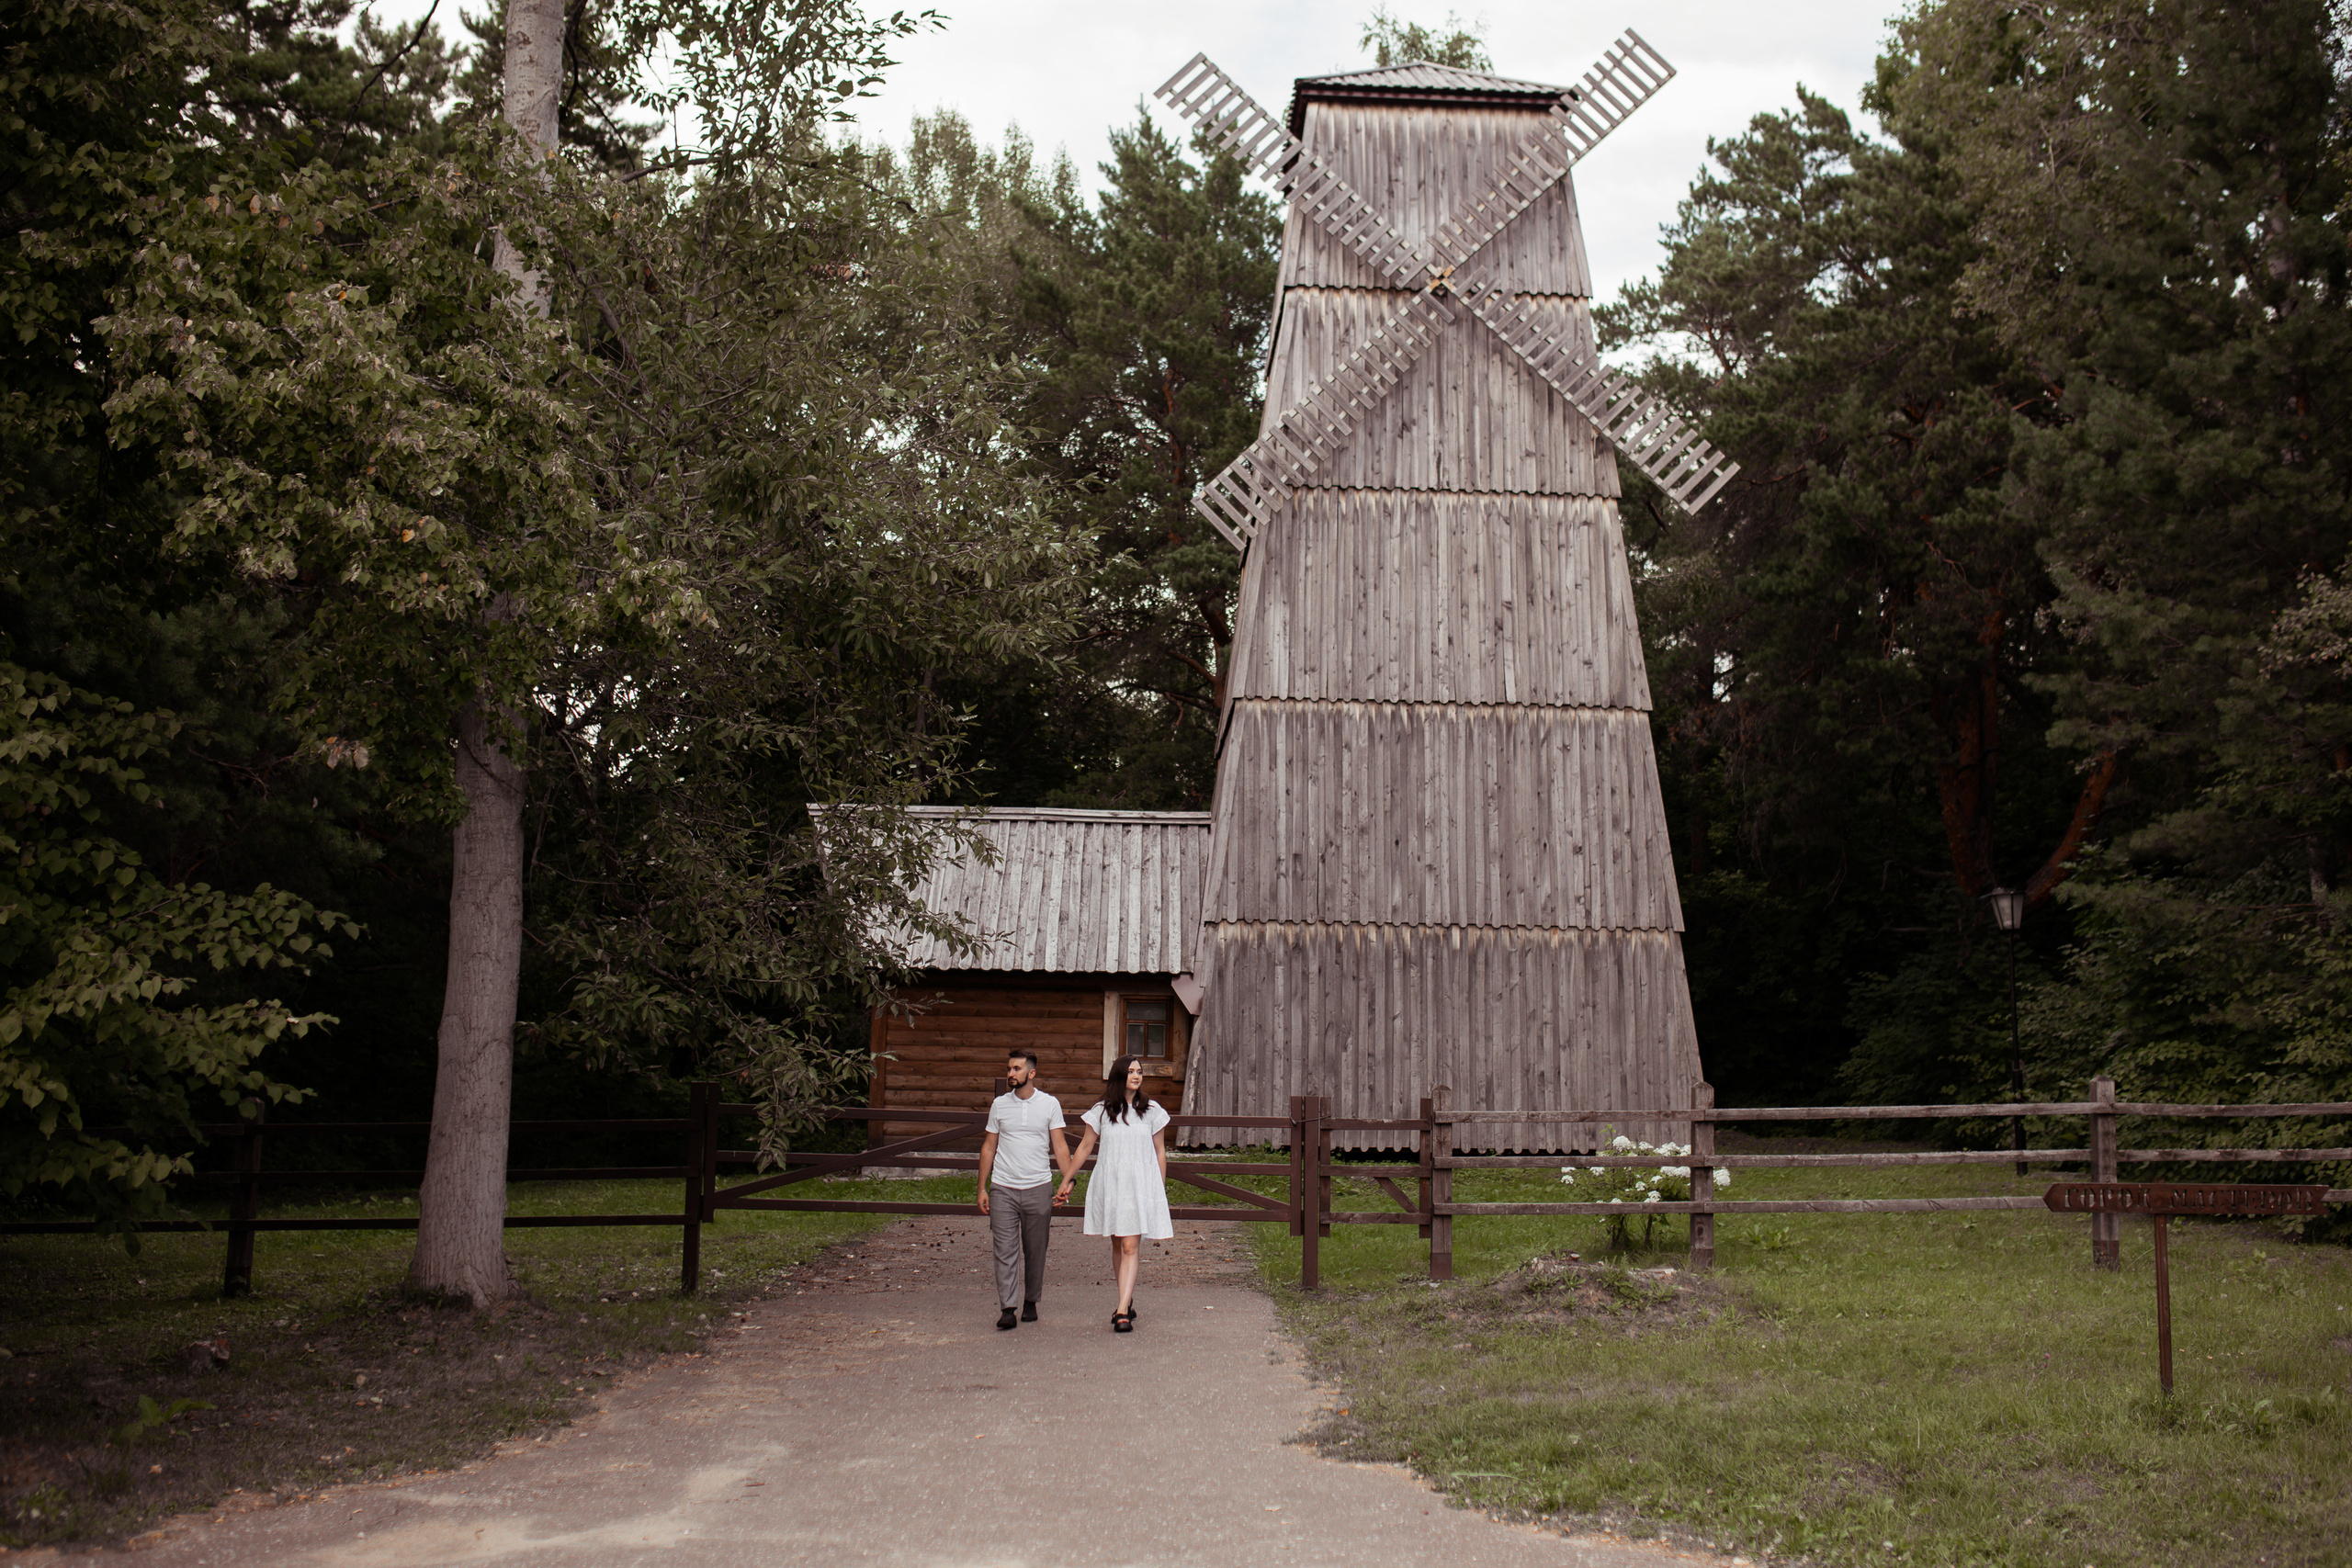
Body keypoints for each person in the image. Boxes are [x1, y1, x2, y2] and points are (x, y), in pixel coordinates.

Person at [1054, 1055, 1171, 1333]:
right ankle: (1126, 1299)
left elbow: (1160, 1151)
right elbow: (1084, 1147)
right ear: (1119, 1075)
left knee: (1131, 1245)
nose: (1137, 1076)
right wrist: (1066, 1180)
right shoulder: (1102, 1110)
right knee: (1118, 1244)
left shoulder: (1151, 1109)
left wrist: (1159, 1189)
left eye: (1140, 1072)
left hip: (1140, 1184)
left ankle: (1121, 1312)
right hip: (1112, 1182)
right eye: (1131, 1071)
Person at [976, 1049, 1073, 1331]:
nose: (1010, 1074)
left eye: (1016, 1069)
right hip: (1003, 1188)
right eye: (1008, 1068)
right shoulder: (999, 1105)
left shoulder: (1049, 1104)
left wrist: (1067, 1181)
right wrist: (982, 1187)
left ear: (1031, 1073)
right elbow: (989, 1147)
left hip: (1038, 1187)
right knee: (1004, 1249)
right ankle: (1008, 1308)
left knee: (1035, 1249)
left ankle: (1031, 1300)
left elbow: (1060, 1145)